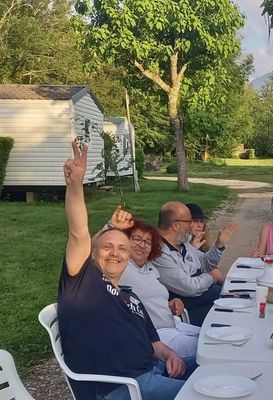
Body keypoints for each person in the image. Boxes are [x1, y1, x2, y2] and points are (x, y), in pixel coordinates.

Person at [58, 140, 196, 400]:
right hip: (123, 388)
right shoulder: (83, 284)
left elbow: (154, 343)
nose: (115, 253)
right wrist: (75, 185)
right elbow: (78, 234)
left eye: (122, 249)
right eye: (107, 247)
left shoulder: (130, 297)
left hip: (153, 369)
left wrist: (170, 354)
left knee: (212, 368)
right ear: (94, 253)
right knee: (209, 393)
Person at [117, 218, 201, 358]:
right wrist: (112, 226)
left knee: (212, 336)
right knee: (206, 348)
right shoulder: (121, 266)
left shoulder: (149, 267)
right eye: (136, 239)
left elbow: (151, 297)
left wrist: (171, 303)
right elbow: (95, 254)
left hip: (174, 324)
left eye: (148, 242)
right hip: (155, 335)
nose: (142, 245)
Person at [151, 201, 238, 326]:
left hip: (204, 295)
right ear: (175, 225)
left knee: (236, 299)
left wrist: (219, 245)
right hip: (188, 306)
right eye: (189, 222)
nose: (191, 225)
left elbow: (205, 264)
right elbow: (190, 288)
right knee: (232, 310)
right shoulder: (160, 253)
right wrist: (211, 277)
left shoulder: (182, 243)